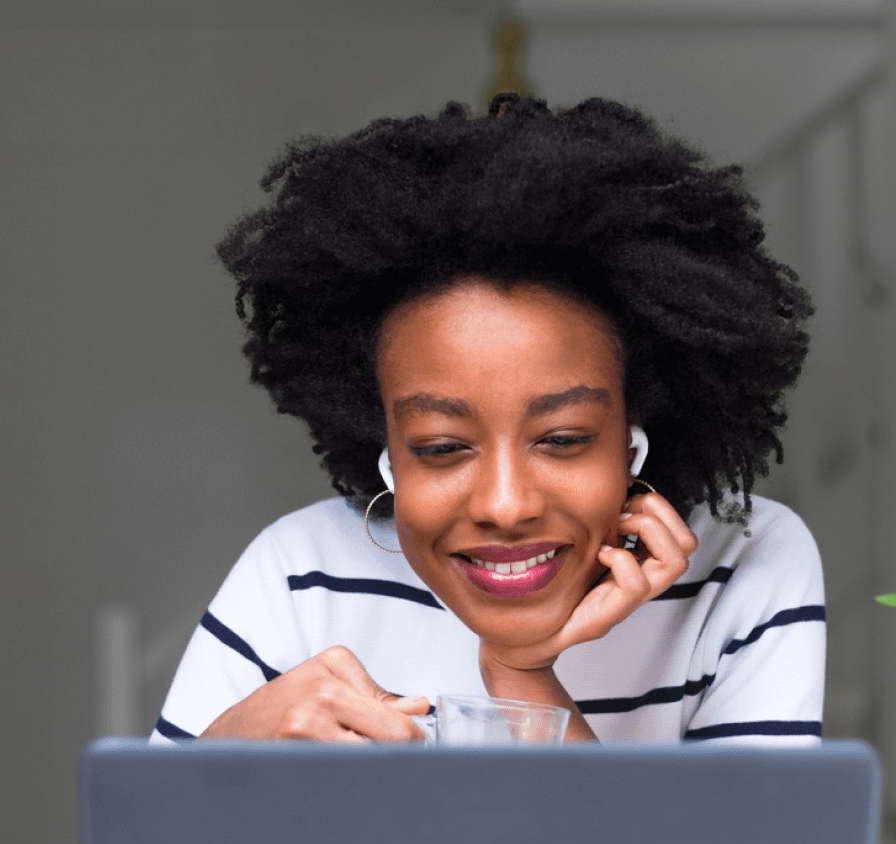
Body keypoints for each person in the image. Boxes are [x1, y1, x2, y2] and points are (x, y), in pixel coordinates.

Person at [151, 94, 825, 746]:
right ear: (386, 448)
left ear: (633, 441)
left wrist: (522, 676)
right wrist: (216, 771)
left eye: (562, 440)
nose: (506, 506)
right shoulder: (301, 577)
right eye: (442, 448)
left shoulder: (744, 564)